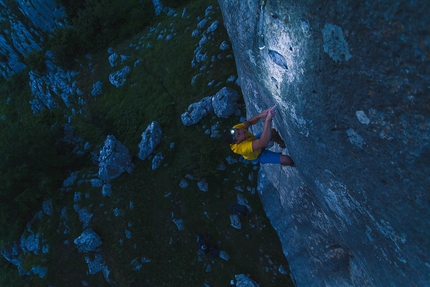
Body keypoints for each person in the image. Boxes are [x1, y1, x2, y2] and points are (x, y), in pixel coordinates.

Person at [223, 105, 295, 166]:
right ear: (237, 142)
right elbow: (263, 143)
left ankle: (282, 144)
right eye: (239, 134)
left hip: (254, 141)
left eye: (238, 130)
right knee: (287, 160)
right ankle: (294, 164)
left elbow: (249, 122)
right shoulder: (242, 148)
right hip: (257, 155)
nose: (241, 131)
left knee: (272, 132)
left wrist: (261, 115)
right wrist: (267, 120)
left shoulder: (236, 129)